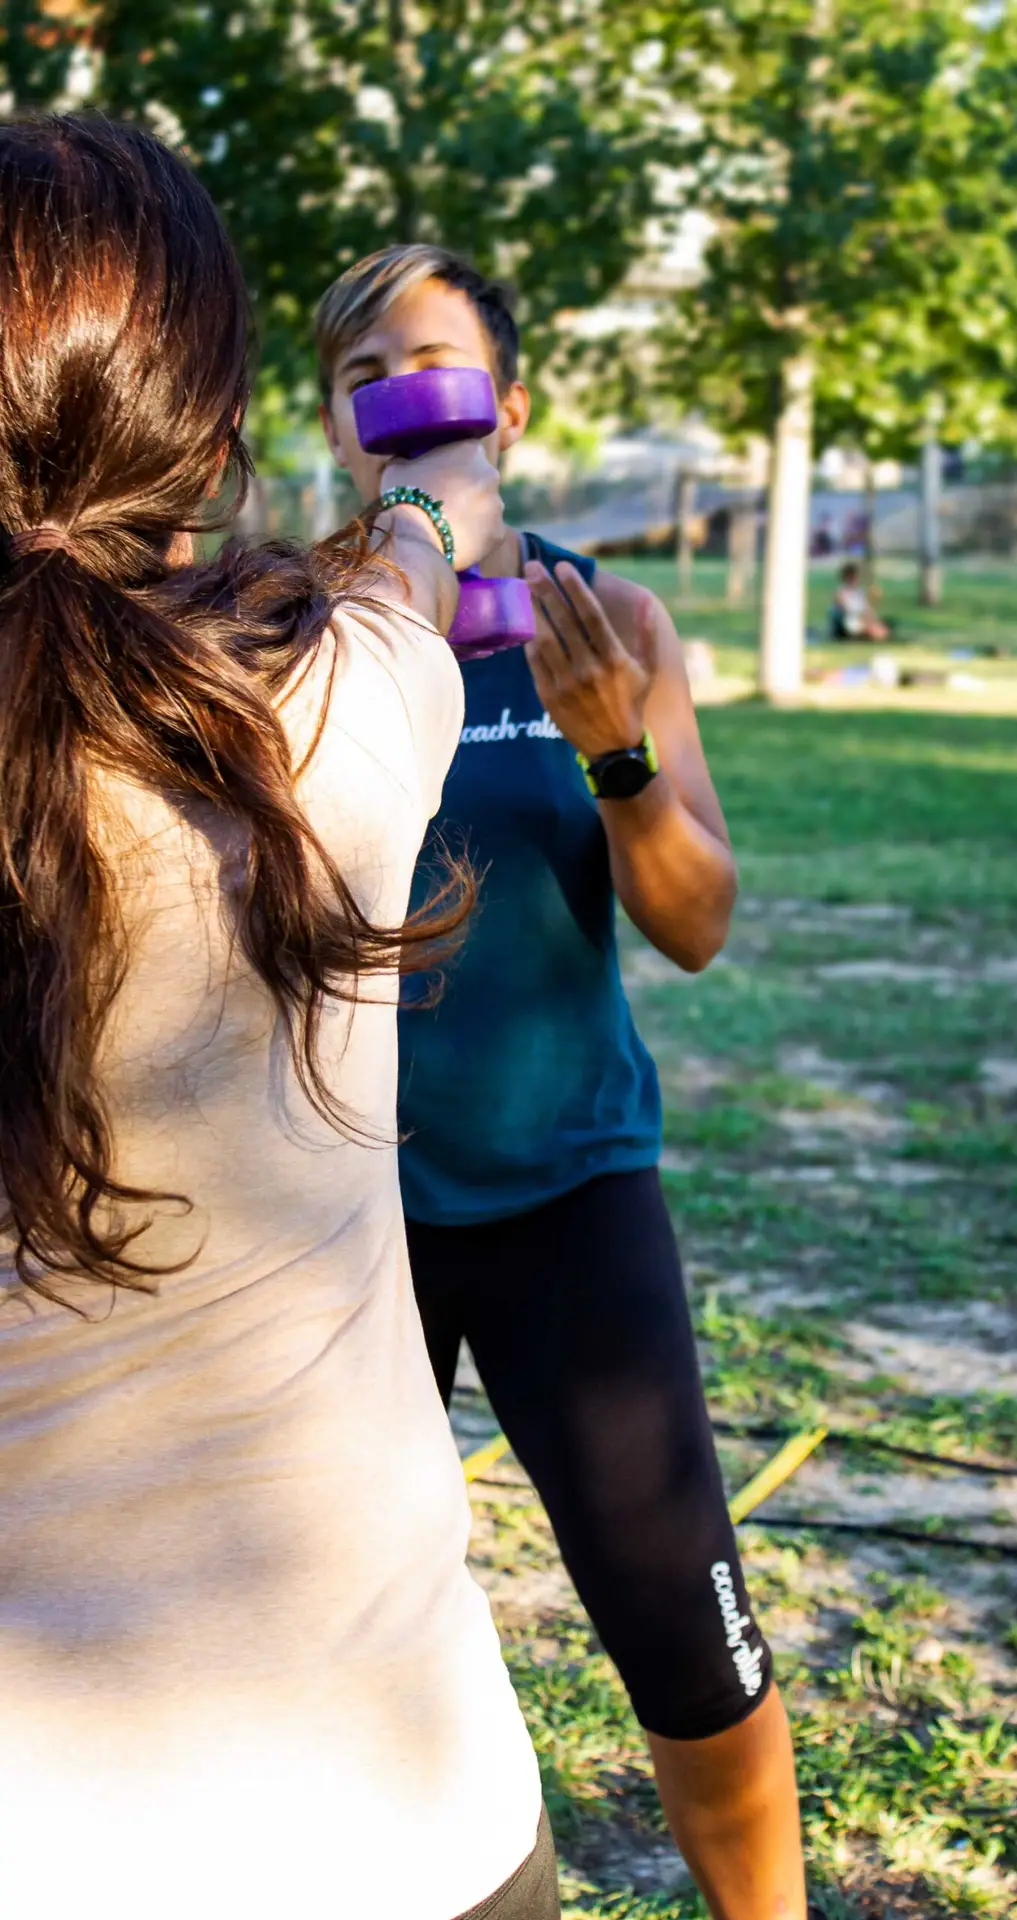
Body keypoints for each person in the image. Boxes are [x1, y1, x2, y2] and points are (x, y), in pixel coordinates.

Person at [0, 119, 555, 1919]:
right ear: (221, 433)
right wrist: (416, 480)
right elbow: (413, 559)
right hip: (409, 1823)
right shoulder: (334, 720)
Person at [318, 245, 805, 1920]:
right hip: (340, 1219)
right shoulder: (283, 629)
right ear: (336, 421)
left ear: (507, 412)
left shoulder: (613, 618)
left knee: (683, 1621)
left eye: (432, 364)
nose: (398, 395)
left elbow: (698, 922)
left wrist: (616, 753)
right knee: (318, 1633)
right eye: (363, 369)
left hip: (567, 1196)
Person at [829, 560, 890, 641]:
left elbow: (866, 608)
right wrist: (863, 617)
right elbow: (846, 609)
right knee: (868, 627)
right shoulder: (841, 591)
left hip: (862, 618)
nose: (855, 579)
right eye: (852, 576)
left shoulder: (860, 591)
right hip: (850, 620)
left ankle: (874, 632)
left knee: (880, 626)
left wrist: (873, 603)